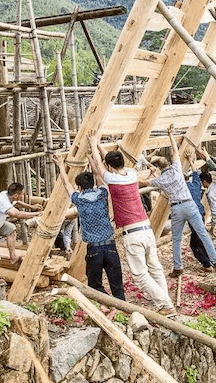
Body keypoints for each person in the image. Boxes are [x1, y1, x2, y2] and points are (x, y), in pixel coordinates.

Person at [88, 130, 175, 315]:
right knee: (155, 267)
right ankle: (164, 303)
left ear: (110, 167)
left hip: (133, 232)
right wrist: (99, 147)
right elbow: (108, 162)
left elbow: (99, 165)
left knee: (140, 275)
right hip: (146, 227)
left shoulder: (111, 179)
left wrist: (94, 144)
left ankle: (166, 304)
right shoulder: (131, 174)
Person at [140, 125, 216, 276]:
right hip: (190, 205)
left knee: (177, 239)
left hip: (177, 208)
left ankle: (178, 267)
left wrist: (145, 175)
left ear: (159, 168)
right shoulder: (177, 169)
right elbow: (175, 152)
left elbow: (145, 183)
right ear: (169, 164)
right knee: (203, 234)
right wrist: (171, 135)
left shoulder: (160, 179)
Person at [53, 153, 125, 300]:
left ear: (79, 187)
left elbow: (66, 184)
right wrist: (91, 158)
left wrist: (60, 165)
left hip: (94, 249)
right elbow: (99, 175)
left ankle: (104, 304)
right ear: (93, 183)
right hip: (110, 246)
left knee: (95, 285)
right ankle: (122, 307)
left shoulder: (78, 199)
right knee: (117, 285)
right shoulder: (102, 193)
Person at [185, 157, 216, 270]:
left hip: (193, 216)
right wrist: (190, 161)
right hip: (200, 214)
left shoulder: (184, 189)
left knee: (196, 244)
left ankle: (210, 264)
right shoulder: (196, 184)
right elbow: (196, 173)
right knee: (203, 240)